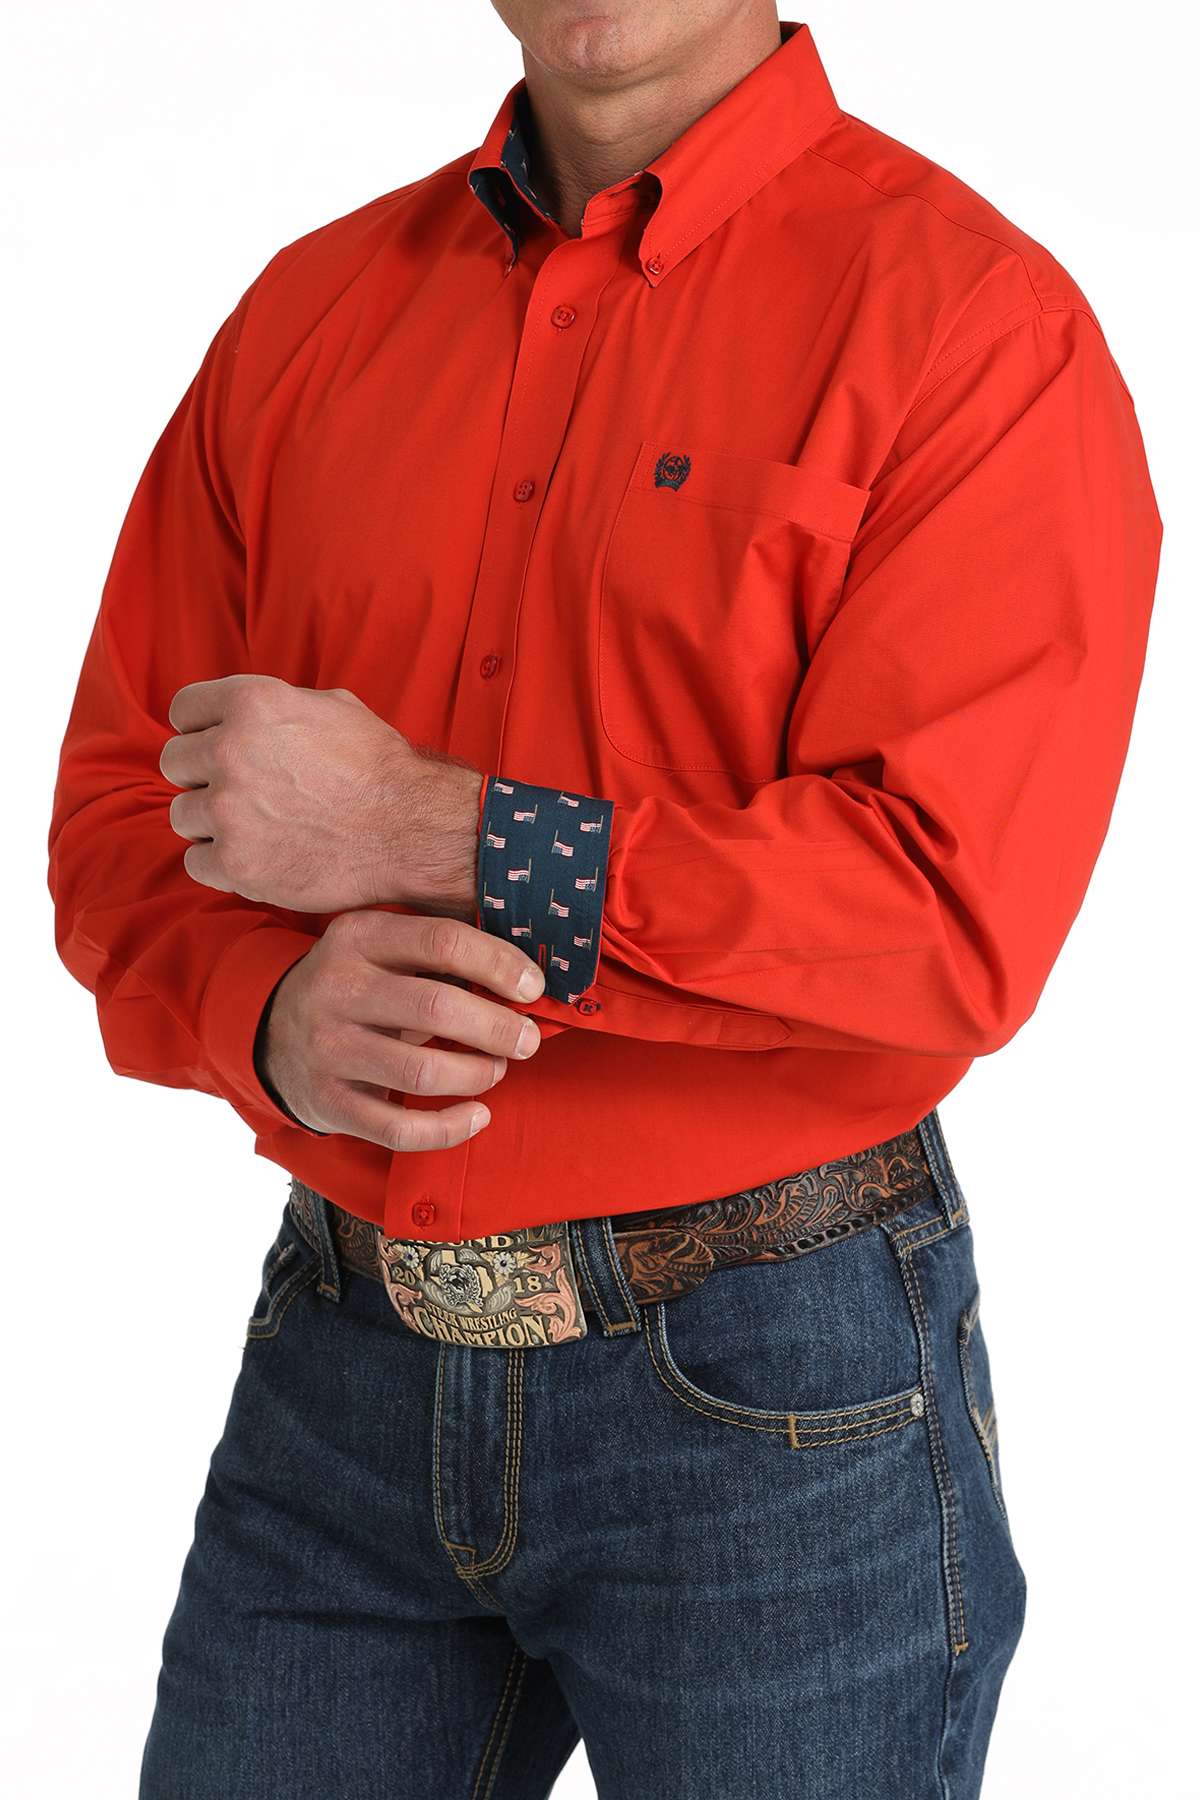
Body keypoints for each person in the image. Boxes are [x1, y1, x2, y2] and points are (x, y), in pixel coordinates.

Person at [49, 2, 1159, 1795]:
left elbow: (948, 917)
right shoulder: (310, 315)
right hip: (343, 1363)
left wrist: (441, 832)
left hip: (776, 1398)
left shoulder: (974, 325)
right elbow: (124, 809)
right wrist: (264, 1013)